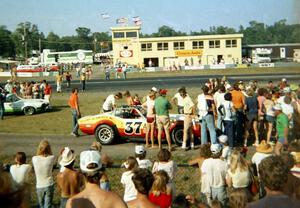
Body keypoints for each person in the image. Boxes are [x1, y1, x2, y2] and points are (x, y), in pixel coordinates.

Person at [32, 139, 56, 208]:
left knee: (41, 205)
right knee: (47, 205)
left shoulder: (34, 158)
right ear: (49, 149)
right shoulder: (52, 158)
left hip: (39, 185)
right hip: (49, 184)